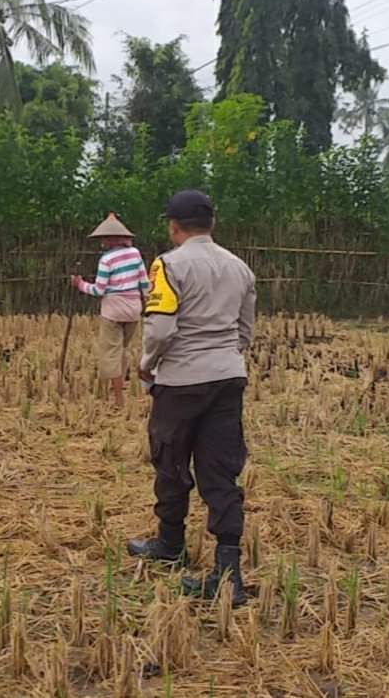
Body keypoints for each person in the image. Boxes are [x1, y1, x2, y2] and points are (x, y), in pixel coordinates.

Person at [125, 189, 256, 607]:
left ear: (173, 226)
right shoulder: (240, 267)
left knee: (170, 459)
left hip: (181, 380)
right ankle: (228, 571)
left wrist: (148, 363)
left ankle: (170, 543)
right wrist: (221, 355)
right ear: (212, 224)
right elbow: (245, 330)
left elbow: (161, 329)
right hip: (227, 376)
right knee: (220, 469)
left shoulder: (168, 264)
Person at [70, 213, 150, 407]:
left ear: (113, 239)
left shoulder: (106, 259)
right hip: (133, 309)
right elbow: (145, 283)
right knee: (122, 349)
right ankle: (115, 390)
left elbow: (99, 289)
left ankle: (118, 399)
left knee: (111, 353)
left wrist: (80, 284)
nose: (103, 242)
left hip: (113, 310)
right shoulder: (135, 253)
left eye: (105, 238)